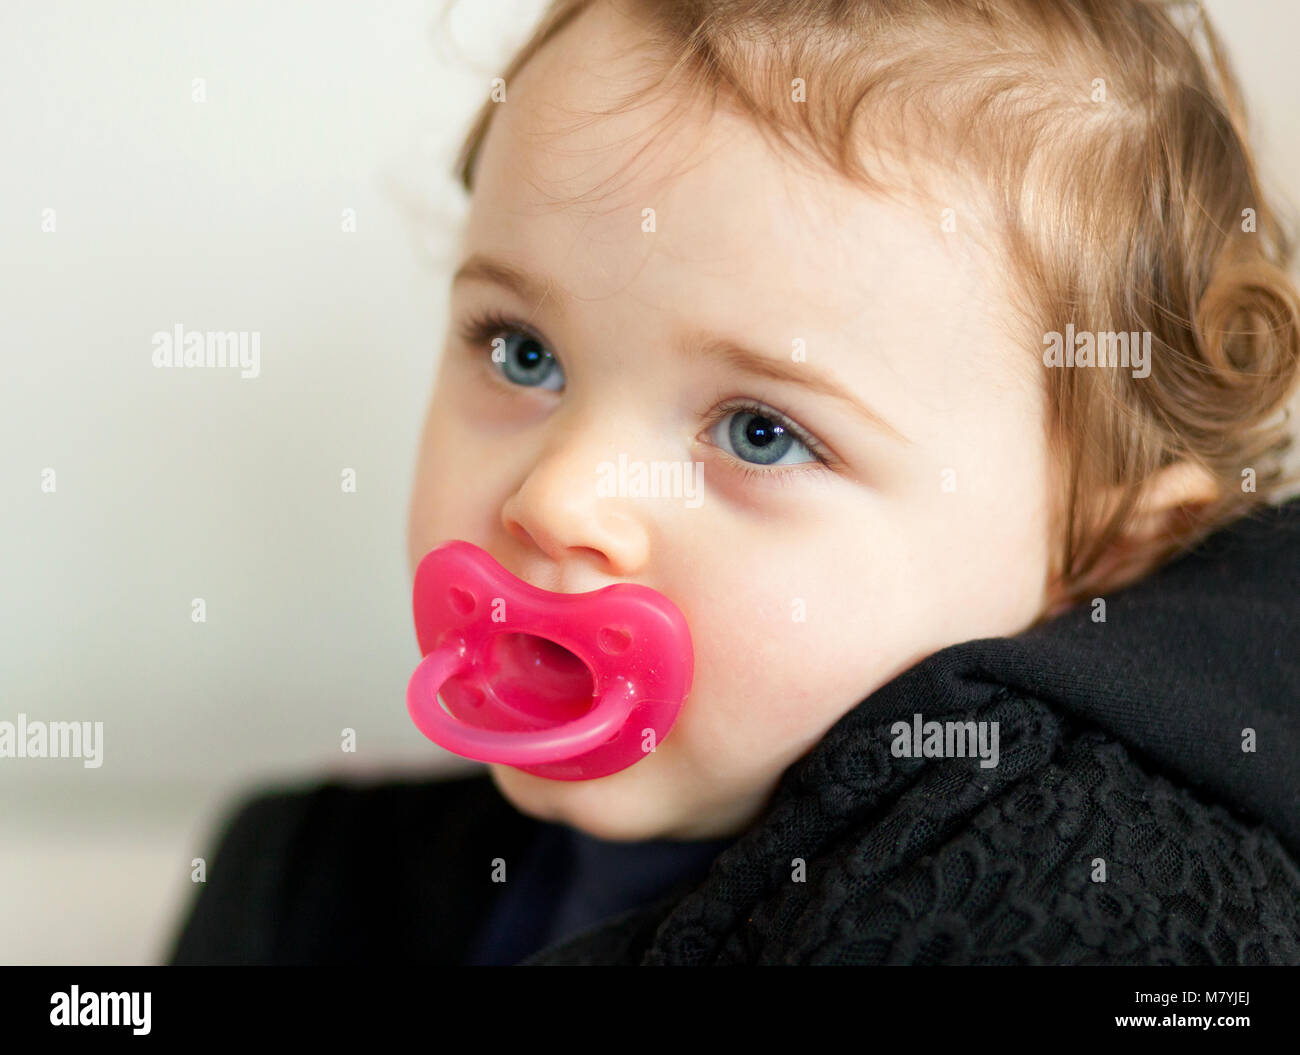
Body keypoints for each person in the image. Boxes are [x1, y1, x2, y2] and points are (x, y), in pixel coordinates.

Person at [167, 0, 1300, 965]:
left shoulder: (1078, 903)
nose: (557, 497)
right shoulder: (317, 891)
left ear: (1097, 551)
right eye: (523, 351)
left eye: (759, 432)